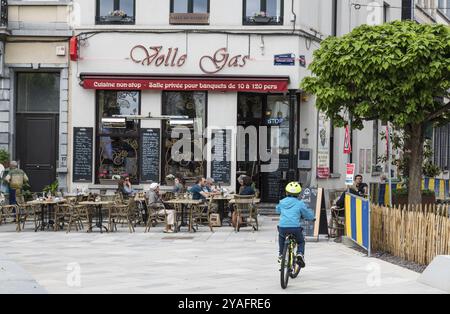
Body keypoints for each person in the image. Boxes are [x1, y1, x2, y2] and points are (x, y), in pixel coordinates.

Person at [276, 182, 315, 268]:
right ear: (298, 194)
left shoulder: (282, 202)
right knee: (301, 241)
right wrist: (312, 218)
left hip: (283, 228)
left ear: (286, 192)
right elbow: (307, 214)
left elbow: (277, 210)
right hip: (295, 228)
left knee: (281, 236)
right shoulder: (300, 203)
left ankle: (281, 255)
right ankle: (300, 254)